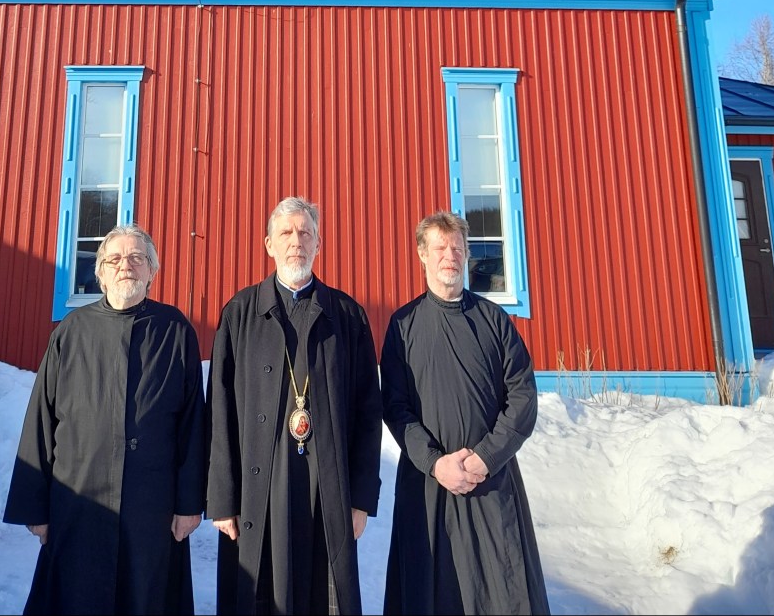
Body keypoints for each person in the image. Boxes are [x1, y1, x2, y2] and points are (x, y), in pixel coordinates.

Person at [3, 224, 205, 616]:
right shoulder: (72, 331)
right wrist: (36, 508)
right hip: (78, 502)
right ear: (100, 272)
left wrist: (189, 503)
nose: (125, 266)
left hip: (152, 505)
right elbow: (41, 421)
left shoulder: (175, 329)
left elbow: (193, 424)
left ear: (152, 271)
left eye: (136, 258)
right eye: (114, 259)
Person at [206, 196, 383, 616]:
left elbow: (367, 413)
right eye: (286, 232)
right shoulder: (239, 313)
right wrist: (222, 498)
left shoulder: (347, 315)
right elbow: (219, 412)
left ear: (319, 245)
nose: (296, 241)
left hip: (329, 488)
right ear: (268, 244)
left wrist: (361, 498)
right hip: (257, 487)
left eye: (306, 233)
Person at [381, 211, 550, 616]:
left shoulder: (494, 320)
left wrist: (485, 457)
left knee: (502, 592)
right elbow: (395, 407)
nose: (449, 256)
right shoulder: (403, 326)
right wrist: (436, 463)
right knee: (428, 593)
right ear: (422, 254)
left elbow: (522, 397)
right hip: (427, 486)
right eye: (440, 247)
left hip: (490, 484)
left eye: (457, 247)